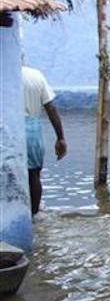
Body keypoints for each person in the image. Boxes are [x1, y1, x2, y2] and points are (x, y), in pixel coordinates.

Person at [21, 65, 67, 215]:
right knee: (34, 175)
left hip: (8, 128)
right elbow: (51, 108)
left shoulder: (6, 74)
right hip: (32, 131)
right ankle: (34, 216)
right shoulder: (35, 75)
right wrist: (60, 138)